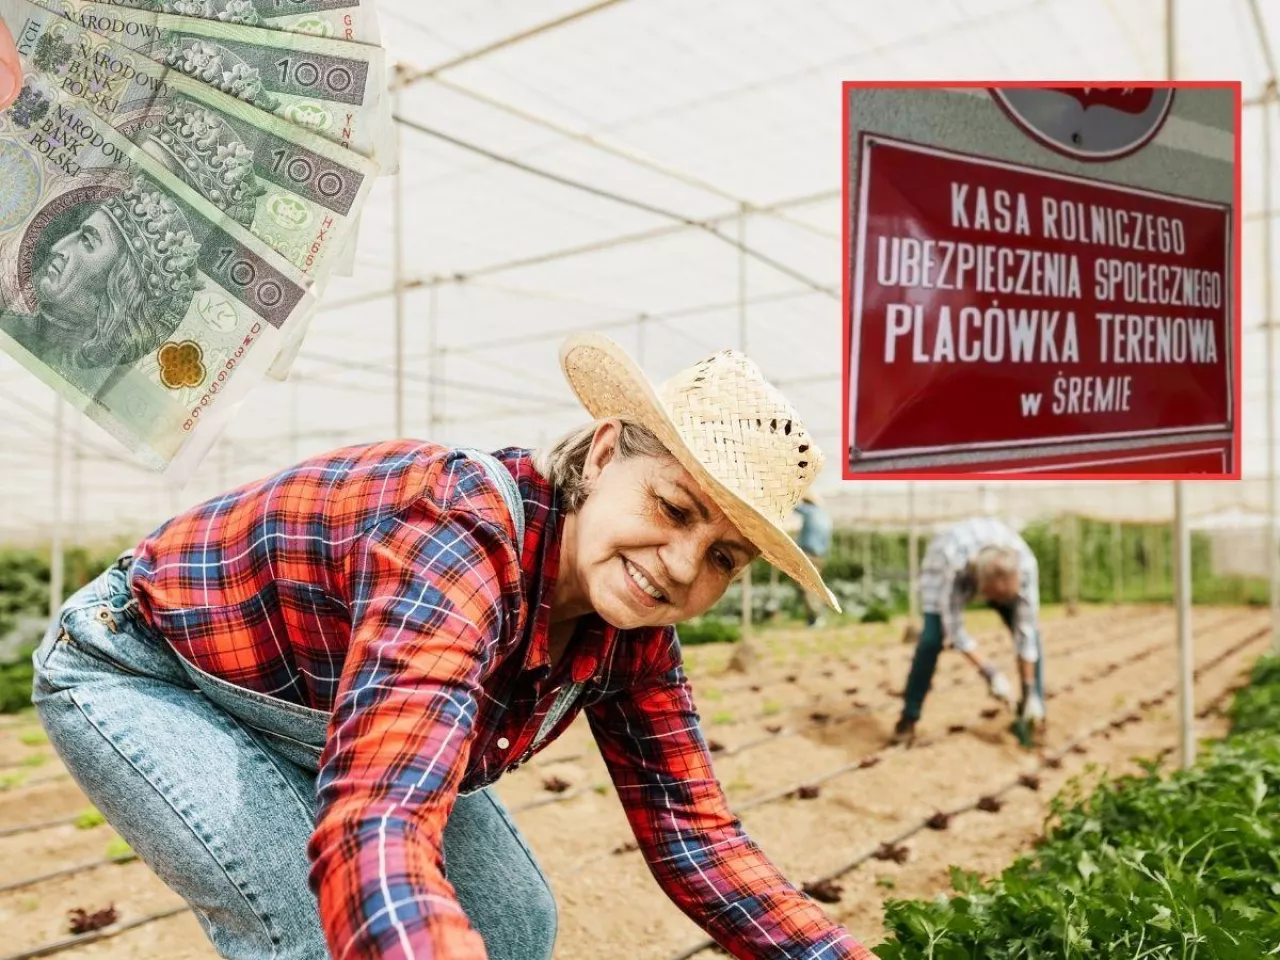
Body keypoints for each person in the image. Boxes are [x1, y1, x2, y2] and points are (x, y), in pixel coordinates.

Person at [32, 332, 875, 960]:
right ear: (604, 452)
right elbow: (382, 820)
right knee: (316, 930)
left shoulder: (632, 635)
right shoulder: (458, 537)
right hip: (145, 665)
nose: (684, 565)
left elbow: (696, 840)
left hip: (311, 702)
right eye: (674, 508)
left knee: (514, 923)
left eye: (724, 558)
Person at [892, 516, 1046, 745]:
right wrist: (989, 673)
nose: (999, 603)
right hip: (941, 565)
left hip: (990, 564)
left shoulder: (1025, 566)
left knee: (1031, 636)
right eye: (995, 597)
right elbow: (953, 629)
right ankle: (908, 718)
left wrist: (1029, 688)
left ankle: (1033, 712)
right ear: (980, 587)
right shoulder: (952, 563)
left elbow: (1026, 633)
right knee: (931, 639)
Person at [792, 491, 833, 627]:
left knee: (805, 585)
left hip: (808, 553)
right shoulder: (825, 516)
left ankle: (816, 616)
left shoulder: (810, 512)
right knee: (815, 585)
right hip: (820, 555)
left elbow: (794, 507)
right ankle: (818, 614)